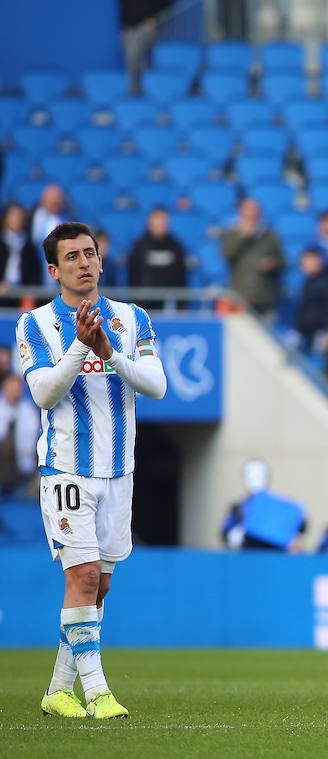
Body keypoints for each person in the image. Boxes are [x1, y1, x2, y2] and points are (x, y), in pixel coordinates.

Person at [18, 221, 168, 719]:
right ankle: (98, 693)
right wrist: (82, 346)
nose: (84, 262)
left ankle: (58, 691)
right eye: (73, 256)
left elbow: (157, 385)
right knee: (81, 576)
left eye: (90, 253)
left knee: (99, 586)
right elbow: (43, 393)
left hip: (118, 471)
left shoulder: (132, 318)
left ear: (101, 260)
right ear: (54, 269)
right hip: (65, 469)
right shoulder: (36, 324)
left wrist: (110, 353)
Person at [220, 198, 285, 317]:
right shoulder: (231, 233)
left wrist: (272, 263)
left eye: (254, 211)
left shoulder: (269, 235)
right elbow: (226, 254)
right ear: (241, 213)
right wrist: (242, 236)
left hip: (264, 297)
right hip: (240, 297)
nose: (251, 215)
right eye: (248, 211)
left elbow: (283, 261)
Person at [125, 206, 189, 302]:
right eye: (157, 219)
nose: (160, 223)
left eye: (163, 219)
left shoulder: (176, 246)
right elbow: (133, 275)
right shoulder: (139, 246)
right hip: (144, 302)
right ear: (149, 221)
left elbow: (182, 276)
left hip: (170, 303)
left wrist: (181, 303)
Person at [292, 248, 328, 354]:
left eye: (310, 261)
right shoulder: (308, 282)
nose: (306, 265)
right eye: (304, 262)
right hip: (307, 332)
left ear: (319, 261)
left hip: (321, 333)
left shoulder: (327, 282)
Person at [0, 373, 40, 497]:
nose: (16, 389)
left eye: (19, 386)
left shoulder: (29, 410)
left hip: (22, 475)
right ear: (4, 387)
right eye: (12, 386)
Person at [1, 202, 44, 305]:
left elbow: (35, 274)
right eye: (13, 215)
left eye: (19, 215)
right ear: (6, 218)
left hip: (23, 297)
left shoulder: (29, 247)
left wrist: (29, 292)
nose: (17, 219)